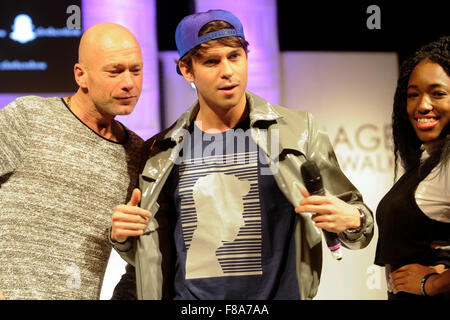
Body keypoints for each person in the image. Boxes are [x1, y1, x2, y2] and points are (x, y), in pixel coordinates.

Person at [110, 9, 373, 300]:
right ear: (187, 70)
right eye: (211, 61)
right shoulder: (161, 151)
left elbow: (358, 227)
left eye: (234, 56)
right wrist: (123, 239)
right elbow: (153, 257)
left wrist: (354, 220)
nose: (227, 71)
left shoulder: (299, 131)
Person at [0, 22, 145, 299]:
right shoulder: (28, 117)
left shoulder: (137, 153)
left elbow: (141, 260)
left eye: (135, 70)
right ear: (81, 75)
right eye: (115, 71)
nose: (129, 83)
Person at [375, 36, 450, 300]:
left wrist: (431, 284)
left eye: (438, 93)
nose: (423, 105)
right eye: (413, 95)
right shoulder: (431, 160)